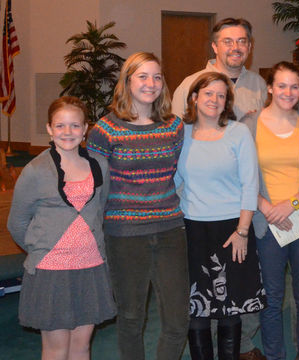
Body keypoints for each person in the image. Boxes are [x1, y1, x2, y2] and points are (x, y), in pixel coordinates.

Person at [170, 17, 268, 360]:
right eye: (227, 41)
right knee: (199, 301)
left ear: (249, 47)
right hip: (195, 221)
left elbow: (251, 173)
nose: (235, 47)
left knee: (236, 297)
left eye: (242, 41)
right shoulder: (188, 88)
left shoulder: (258, 85)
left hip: (239, 211)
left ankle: (243, 348)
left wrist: (243, 227)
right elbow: (175, 169)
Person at [87, 52, 188, 360]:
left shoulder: (173, 126)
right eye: (143, 76)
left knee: (178, 320)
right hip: (125, 235)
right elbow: (95, 187)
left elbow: (178, 173)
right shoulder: (105, 130)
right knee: (131, 318)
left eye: (157, 77)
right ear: (127, 81)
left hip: (170, 230)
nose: (151, 83)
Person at [8, 96, 115, 360]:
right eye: (60, 125)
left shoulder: (99, 164)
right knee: (56, 349)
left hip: (90, 266)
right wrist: (42, 250)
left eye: (75, 125)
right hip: (51, 272)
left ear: (85, 128)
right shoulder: (35, 170)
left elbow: (100, 210)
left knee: (82, 347)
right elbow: (17, 223)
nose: (68, 132)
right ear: (49, 128)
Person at [254, 62, 299, 359]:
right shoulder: (250, 124)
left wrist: (291, 204)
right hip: (267, 224)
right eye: (281, 85)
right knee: (271, 298)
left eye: (294, 86)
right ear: (270, 87)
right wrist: (266, 207)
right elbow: (241, 175)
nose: (288, 92)